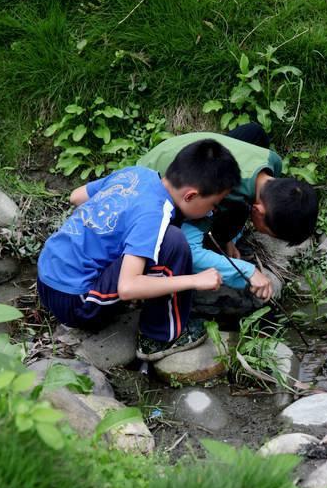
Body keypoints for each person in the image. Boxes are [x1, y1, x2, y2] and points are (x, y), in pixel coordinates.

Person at [37, 139, 241, 362]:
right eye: (213, 204)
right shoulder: (154, 214)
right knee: (173, 242)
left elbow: (75, 196)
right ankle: (160, 337)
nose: (212, 211)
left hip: (47, 277)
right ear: (190, 195)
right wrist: (195, 280)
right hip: (75, 301)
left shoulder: (135, 175)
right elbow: (127, 287)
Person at [138, 123, 318, 301]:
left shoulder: (272, 161)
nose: (264, 233)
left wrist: (230, 238)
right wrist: (249, 271)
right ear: (258, 210)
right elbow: (191, 252)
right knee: (178, 246)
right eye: (268, 232)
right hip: (150, 181)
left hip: (188, 151)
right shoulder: (222, 191)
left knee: (254, 133)